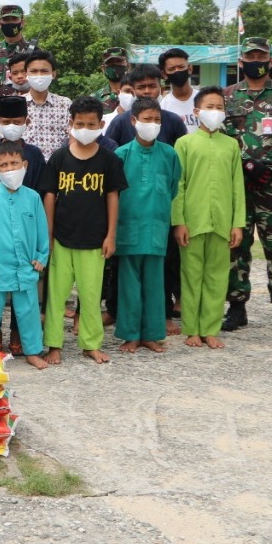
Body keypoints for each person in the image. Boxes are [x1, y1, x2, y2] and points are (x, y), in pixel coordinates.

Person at [222, 37, 272, 335]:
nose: (256, 61)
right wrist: (244, 163)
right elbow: (224, 136)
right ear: (241, 61)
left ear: (270, 61)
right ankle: (236, 306)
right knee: (237, 245)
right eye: (250, 56)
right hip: (239, 184)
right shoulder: (229, 96)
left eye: (261, 56)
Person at [39, 96, 128, 364]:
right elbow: (50, 197)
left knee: (91, 297)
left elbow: (113, 197)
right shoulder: (59, 157)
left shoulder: (109, 160)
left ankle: (91, 344)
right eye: (80, 123)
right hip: (62, 240)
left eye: (91, 124)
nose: (85, 128)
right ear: (71, 124)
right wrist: (49, 236)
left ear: (101, 124)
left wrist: (111, 235)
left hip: (94, 241)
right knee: (56, 297)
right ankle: (54, 344)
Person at [171, 87, 245, 349]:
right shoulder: (185, 144)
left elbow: (238, 186)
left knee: (217, 277)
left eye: (219, 108)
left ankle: (211, 328)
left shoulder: (231, 145)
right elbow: (177, 185)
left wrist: (238, 223)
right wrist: (178, 221)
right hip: (193, 221)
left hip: (222, 222)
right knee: (191, 276)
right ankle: (191, 328)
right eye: (209, 107)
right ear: (196, 111)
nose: (215, 112)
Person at [114, 97, 181, 354]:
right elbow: (113, 194)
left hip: (156, 227)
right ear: (134, 121)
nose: (152, 124)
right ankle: (130, 334)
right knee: (129, 284)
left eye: (157, 120)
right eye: (146, 119)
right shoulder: (121, 154)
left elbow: (173, 187)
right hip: (127, 228)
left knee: (155, 284)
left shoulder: (169, 154)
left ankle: (152, 334)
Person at [0, 140, 48, 370]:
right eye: (4, 165)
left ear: (24, 165)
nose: (9, 169)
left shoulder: (34, 198)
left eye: (14, 163)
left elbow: (42, 231)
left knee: (28, 310)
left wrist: (41, 256)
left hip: (25, 264)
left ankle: (32, 350)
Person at [0, 95, 45, 196]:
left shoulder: (35, 154)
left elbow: (40, 191)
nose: (11, 126)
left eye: (17, 122)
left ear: (27, 122)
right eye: (6, 122)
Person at [104, 65, 188, 147]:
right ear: (133, 92)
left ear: (161, 90)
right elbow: (108, 154)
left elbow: (183, 152)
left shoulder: (174, 121)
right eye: (141, 87)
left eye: (152, 86)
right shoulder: (120, 122)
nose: (147, 91)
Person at [22, 49, 72, 161]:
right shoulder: (16, 104)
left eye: (44, 71)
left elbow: (72, 139)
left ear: (53, 74)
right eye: (34, 71)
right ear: (26, 75)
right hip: (26, 171)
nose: (39, 75)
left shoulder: (65, 104)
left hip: (57, 169)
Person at [0, 4, 32, 100]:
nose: (10, 23)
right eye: (6, 20)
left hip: (26, 110)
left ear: (22, 22)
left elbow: (41, 85)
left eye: (14, 19)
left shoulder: (34, 51)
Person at [159, 47, 199, 132]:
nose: (177, 71)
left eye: (181, 67)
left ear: (190, 69)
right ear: (164, 74)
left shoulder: (203, 100)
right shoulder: (163, 106)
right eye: (171, 69)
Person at [93, 47, 131, 114]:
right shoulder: (94, 99)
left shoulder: (139, 94)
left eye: (119, 61)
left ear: (128, 65)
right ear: (103, 69)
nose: (115, 65)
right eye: (110, 63)